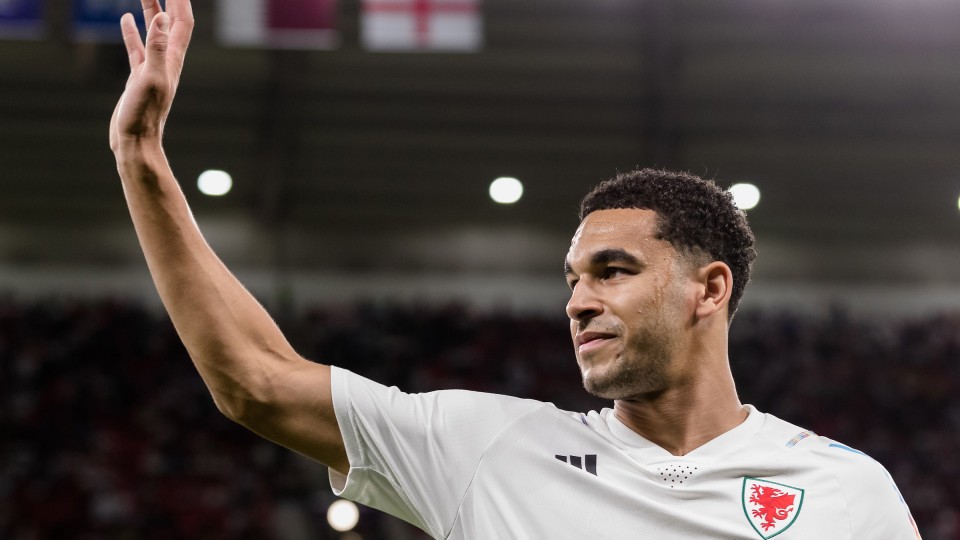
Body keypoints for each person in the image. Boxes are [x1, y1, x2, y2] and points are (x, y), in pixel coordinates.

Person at [110, 2, 921, 538]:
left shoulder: (845, 493)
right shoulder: (489, 450)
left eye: (613, 271)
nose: (578, 301)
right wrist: (141, 156)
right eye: (572, 279)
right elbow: (256, 382)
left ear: (709, 289)